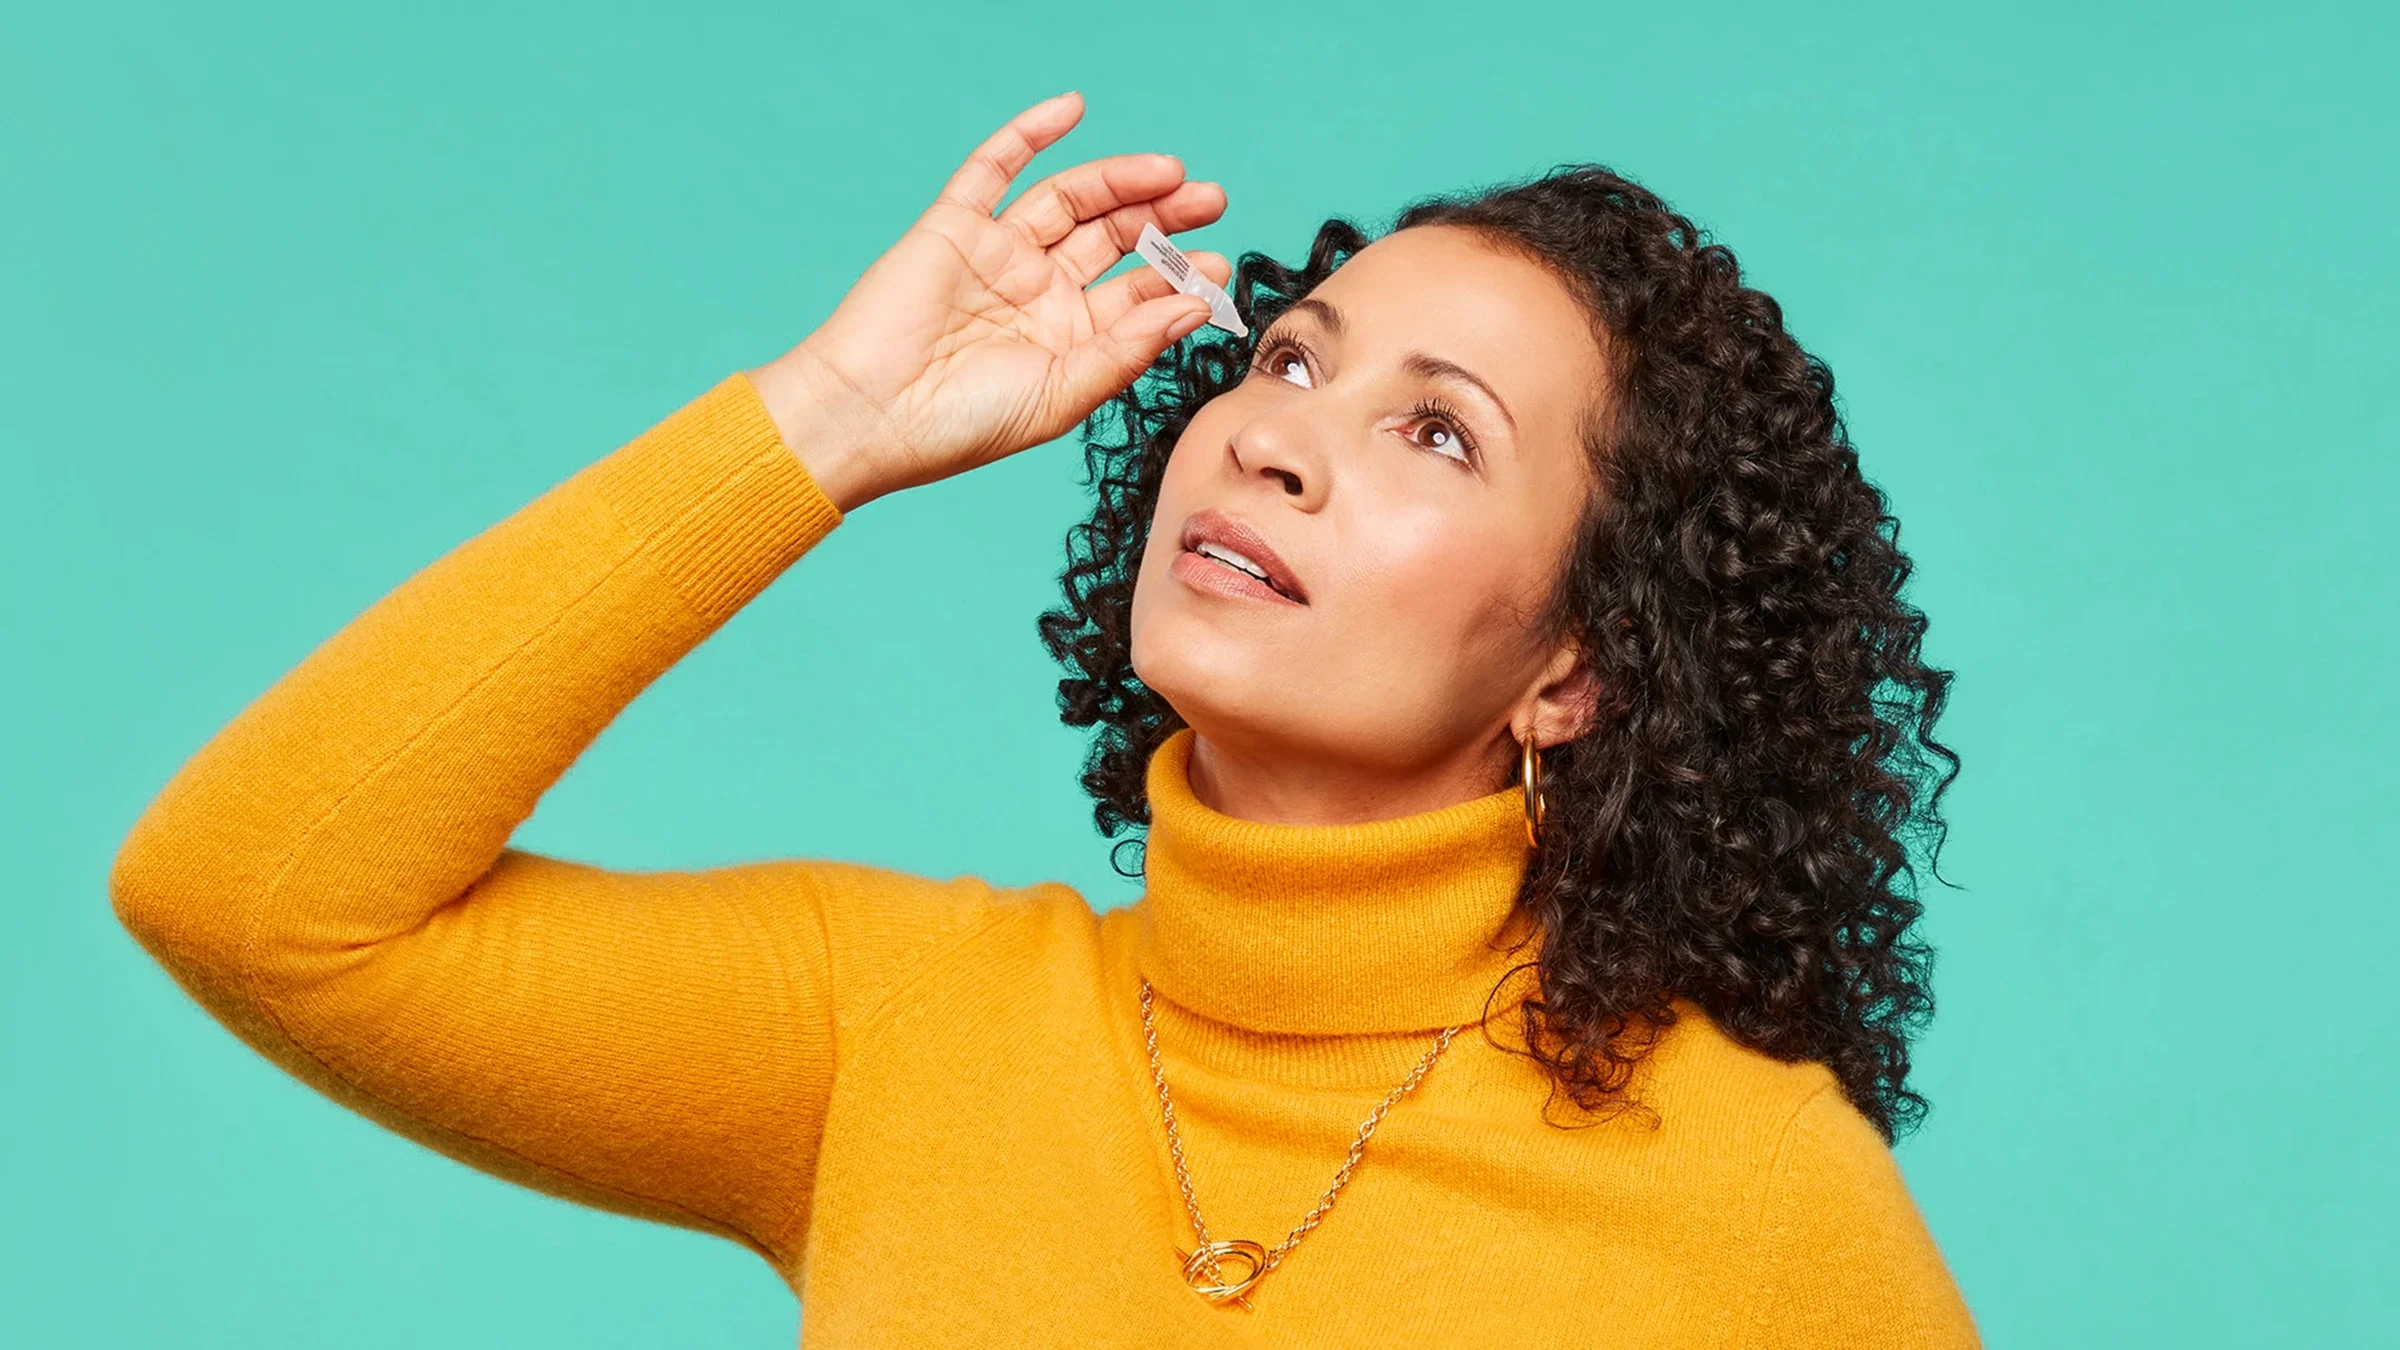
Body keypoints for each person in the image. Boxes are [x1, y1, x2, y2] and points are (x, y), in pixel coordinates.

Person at [109, 89, 1979, 1346]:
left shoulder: (1757, 1195)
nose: (1269, 435)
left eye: (1433, 431)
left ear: (1577, 672)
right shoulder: (897, 1028)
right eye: (1285, 358)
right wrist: (820, 429)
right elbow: (255, 895)